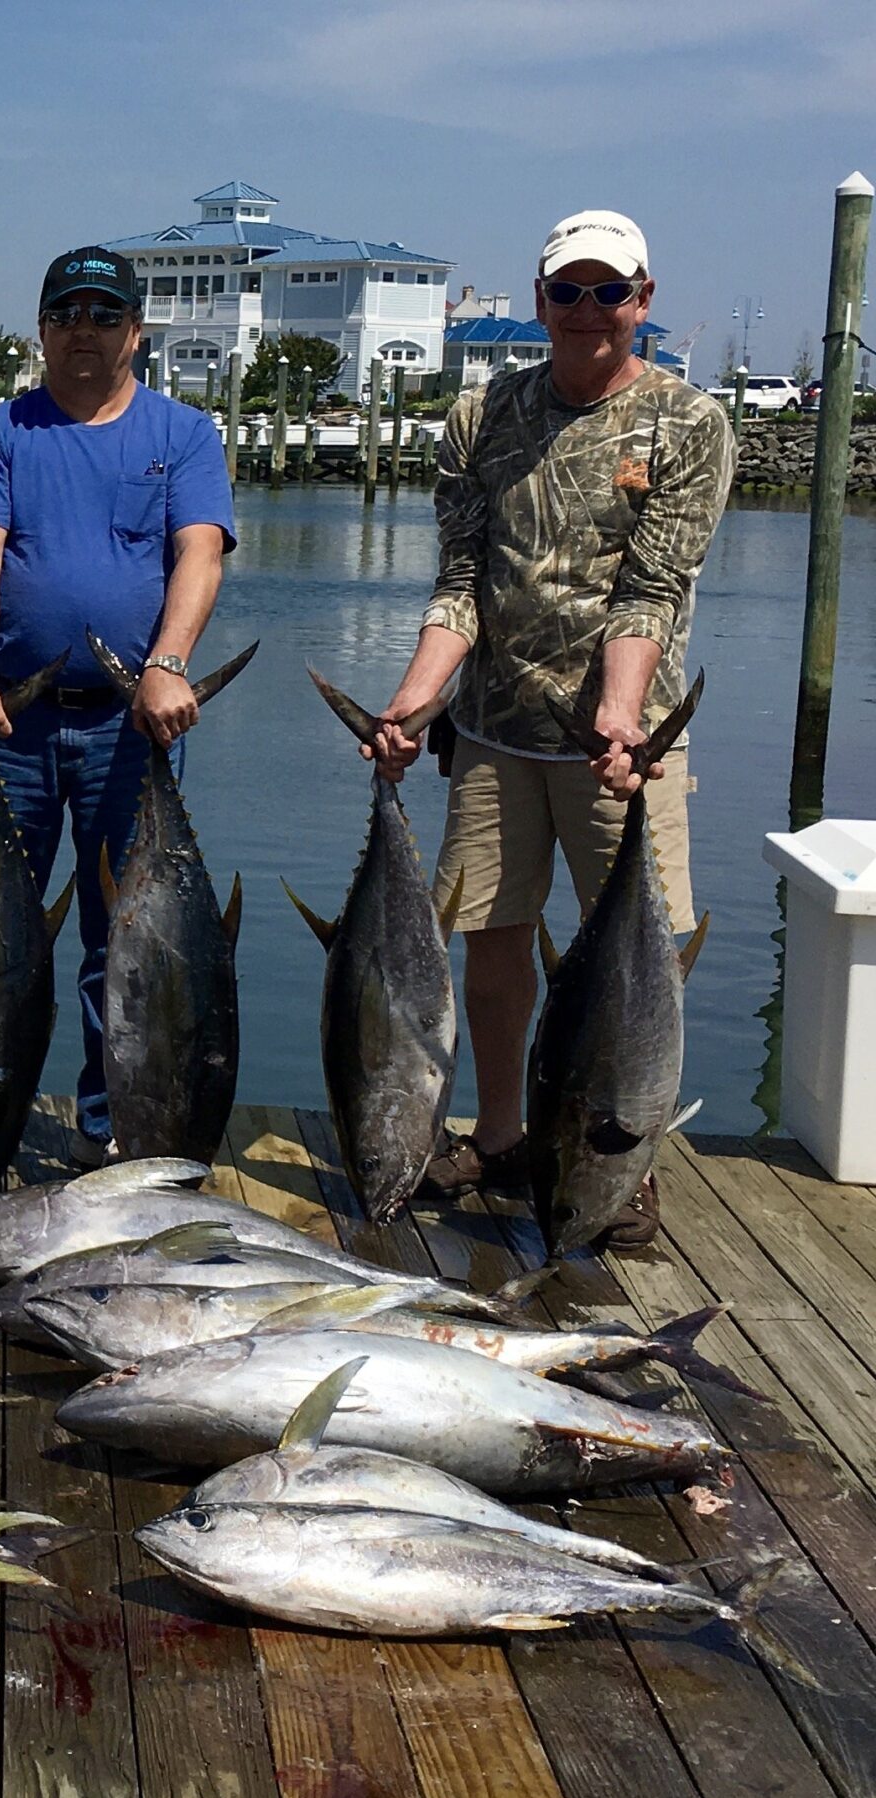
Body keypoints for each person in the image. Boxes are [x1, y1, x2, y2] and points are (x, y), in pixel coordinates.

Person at [365, 210, 732, 1249]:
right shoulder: (480, 416)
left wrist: (617, 712)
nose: (587, 311)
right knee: (490, 938)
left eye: (607, 291)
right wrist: (412, 699)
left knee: (640, 964)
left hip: (626, 744)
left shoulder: (688, 422)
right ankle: (499, 1130)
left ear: (642, 299)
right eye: (567, 292)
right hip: (490, 732)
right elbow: (459, 584)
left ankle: (624, 1155)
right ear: (538, 303)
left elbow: (652, 590)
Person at [0, 245, 237, 1168]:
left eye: (104, 314)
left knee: (130, 942)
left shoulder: (182, 435)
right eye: (67, 312)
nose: (84, 329)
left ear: (135, 333)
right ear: (41, 330)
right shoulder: (1, 432)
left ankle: (118, 1130)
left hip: (129, 725)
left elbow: (200, 554)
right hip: (12, 725)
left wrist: (170, 663)